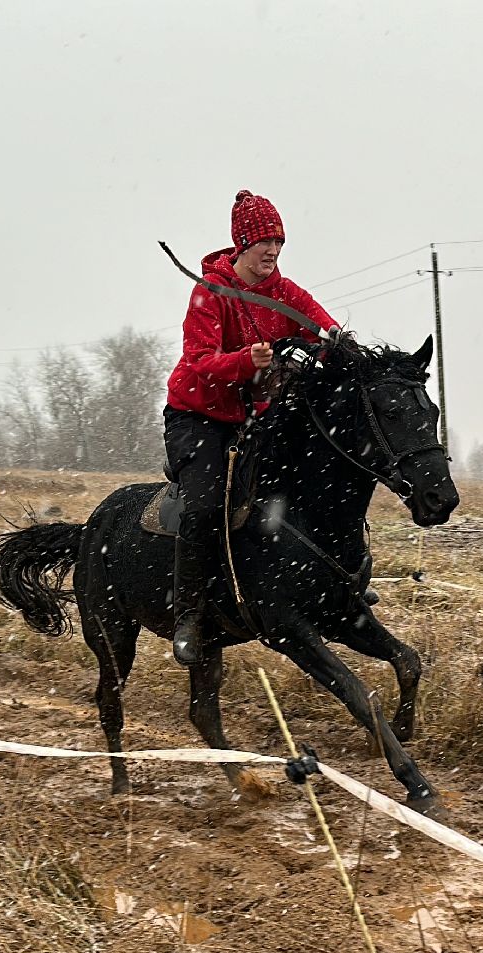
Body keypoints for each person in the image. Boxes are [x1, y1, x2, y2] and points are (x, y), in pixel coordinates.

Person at [163, 190, 337, 665]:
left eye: (279, 244)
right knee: (204, 505)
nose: (273, 252)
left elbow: (322, 328)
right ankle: (188, 616)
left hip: (252, 419)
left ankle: (337, 585)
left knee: (306, 483)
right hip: (197, 418)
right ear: (242, 243)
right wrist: (246, 361)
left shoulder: (285, 292)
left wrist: (340, 345)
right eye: (266, 243)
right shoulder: (210, 292)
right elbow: (199, 364)